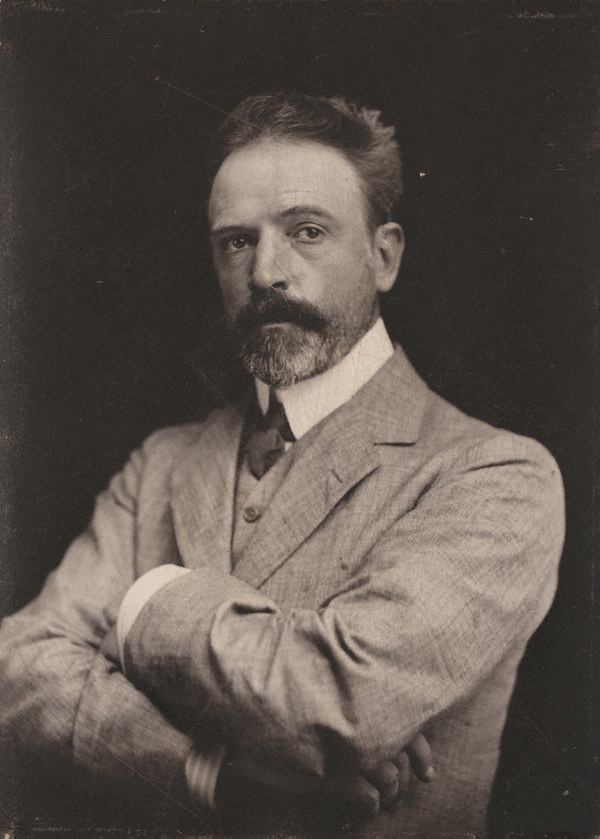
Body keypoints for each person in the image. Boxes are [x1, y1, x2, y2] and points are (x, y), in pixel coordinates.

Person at [0, 93, 565, 835]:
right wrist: (212, 774)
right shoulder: (162, 462)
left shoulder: (495, 476)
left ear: (384, 256)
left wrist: (144, 605)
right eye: (237, 241)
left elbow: (344, 703)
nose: (266, 271)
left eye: (307, 231)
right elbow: (18, 669)